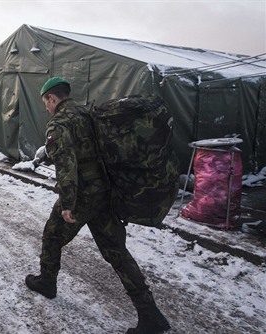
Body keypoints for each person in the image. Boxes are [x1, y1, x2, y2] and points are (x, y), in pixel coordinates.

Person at [25, 77, 171, 334]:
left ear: (51, 98)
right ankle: (150, 313)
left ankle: (47, 283)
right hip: (104, 193)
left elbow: (67, 164)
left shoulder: (59, 123)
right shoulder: (88, 113)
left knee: (51, 236)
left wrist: (68, 203)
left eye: (45, 102)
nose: (46, 107)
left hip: (81, 196)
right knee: (117, 252)